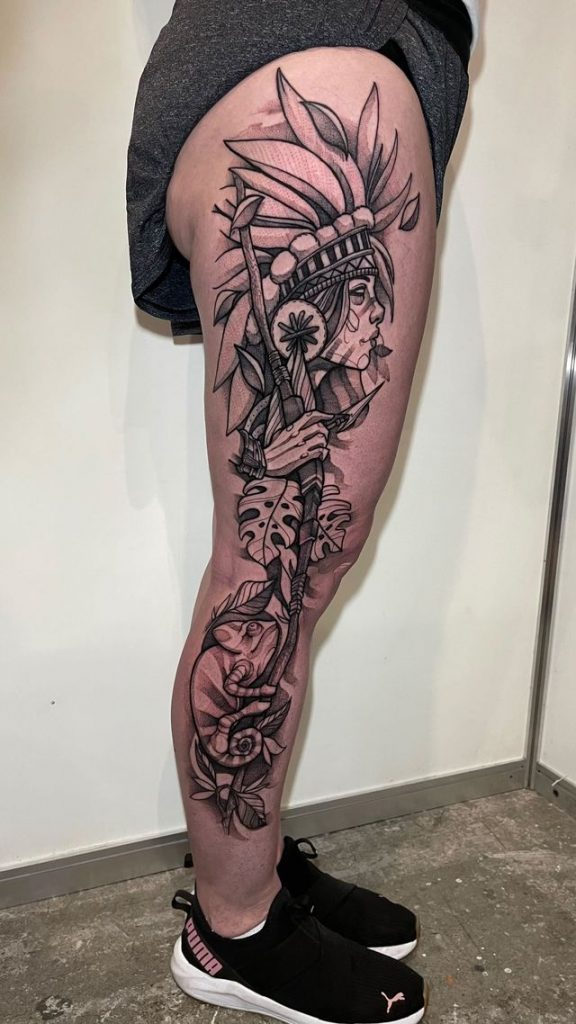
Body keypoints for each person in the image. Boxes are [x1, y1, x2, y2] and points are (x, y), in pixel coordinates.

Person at [126, 2, 479, 1021]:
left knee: (291, 577)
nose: (367, 339)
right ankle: (231, 929)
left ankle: (258, 873)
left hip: (339, 55)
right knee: (271, 582)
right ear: (313, 321)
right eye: (352, 321)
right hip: (318, 58)